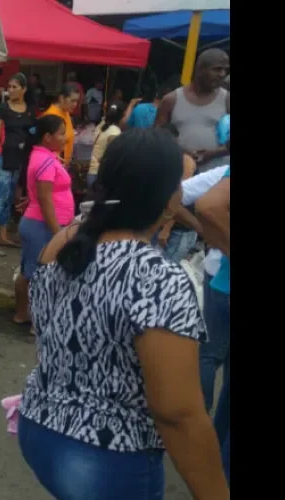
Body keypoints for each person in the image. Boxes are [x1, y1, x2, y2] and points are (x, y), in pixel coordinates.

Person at [17, 128, 229, 500]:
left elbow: (54, 337)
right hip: (106, 456)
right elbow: (178, 413)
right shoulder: (158, 278)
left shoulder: (64, 242)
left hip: (38, 429)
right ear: (167, 200)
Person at [13, 115, 73, 326]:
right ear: (47, 137)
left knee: (31, 271)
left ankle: (23, 315)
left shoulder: (44, 156)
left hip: (40, 223)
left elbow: (39, 192)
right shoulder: (46, 160)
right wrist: (58, 232)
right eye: (61, 133)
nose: (65, 138)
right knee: (38, 275)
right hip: (43, 225)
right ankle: (32, 319)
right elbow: (45, 197)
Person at [180, 163, 229, 414]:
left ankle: (205, 431)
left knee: (210, 353)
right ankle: (198, 421)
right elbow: (197, 202)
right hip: (221, 278)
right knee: (210, 354)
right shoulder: (225, 173)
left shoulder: (223, 172)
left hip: (219, 276)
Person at [195, 164, 230, 483]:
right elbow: (207, 205)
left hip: (221, 282)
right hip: (222, 283)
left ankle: (210, 446)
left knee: (211, 355)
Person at [156, 48, 230, 172]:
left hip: (215, 177)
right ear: (200, 69)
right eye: (217, 69)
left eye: (226, 70)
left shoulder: (227, 99)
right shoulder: (171, 99)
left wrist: (213, 153)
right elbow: (157, 137)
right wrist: (184, 154)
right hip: (179, 173)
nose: (222, 74)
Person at [0, 73, 36, 254]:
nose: (11, 90)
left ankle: (3, 234)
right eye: (9, 86)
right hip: (4, 158)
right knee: (1, 197)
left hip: (21, 160)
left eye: (15, 87)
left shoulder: (30, 110)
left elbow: (33, 133)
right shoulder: (2, 108)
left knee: (10, 198)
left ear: (24, 89)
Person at [153, 124, 204, 262]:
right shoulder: (162, 159)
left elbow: (178, 199)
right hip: (161, 225)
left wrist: (166, 230)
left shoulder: (185, 162)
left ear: (176, 140)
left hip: (179, 229)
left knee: (166, 268)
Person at [41, 83, 80, 166]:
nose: (75, 104)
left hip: (63, 165)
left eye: (77, 101)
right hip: (53, 165)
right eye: (72, 101)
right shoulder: (51, 115)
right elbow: (44, 144)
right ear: (62, 98)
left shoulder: (66, 112)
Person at [87, 101, 124, 188]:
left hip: (92, 172)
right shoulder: (114, 131)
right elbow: (114, 157)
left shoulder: (100, 126)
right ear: (121, 118)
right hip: (101, 176)